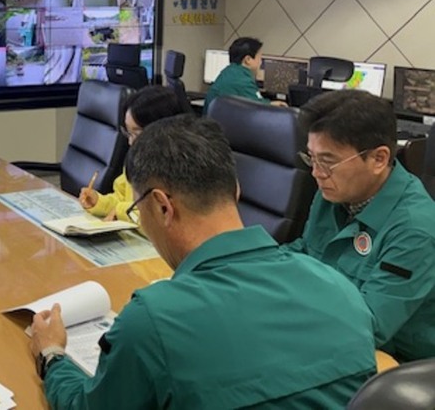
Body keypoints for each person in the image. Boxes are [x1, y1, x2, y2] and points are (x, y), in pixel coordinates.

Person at [31, 114, 376, 409]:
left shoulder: (151, 322)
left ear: (163, 207)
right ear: (236, 189)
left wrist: (52, 354)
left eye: (138, 210)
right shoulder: (340, 290)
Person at [286, 89, 435, 362]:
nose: (316, 173)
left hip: (400, 362)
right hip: (330, 329)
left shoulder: (415, 230)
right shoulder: (334, 193)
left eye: (327, 161)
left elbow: (368, 326)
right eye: (311, 158)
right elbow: (305, 251)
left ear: (379, 159)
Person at [78, 86, 181, 222]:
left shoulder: (176, 170)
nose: (130, 142)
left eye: (136, 134)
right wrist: (99, 202)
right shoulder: (136, 159)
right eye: (128, 133)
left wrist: (120, 211)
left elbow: (160, 219)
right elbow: (122, 199)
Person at [203, 36, 281, 114]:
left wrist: (269, 103)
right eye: (259, 58)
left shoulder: (229, 71)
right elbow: (259, 107)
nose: (260, 62)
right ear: (248, 60)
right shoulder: (243, 80)